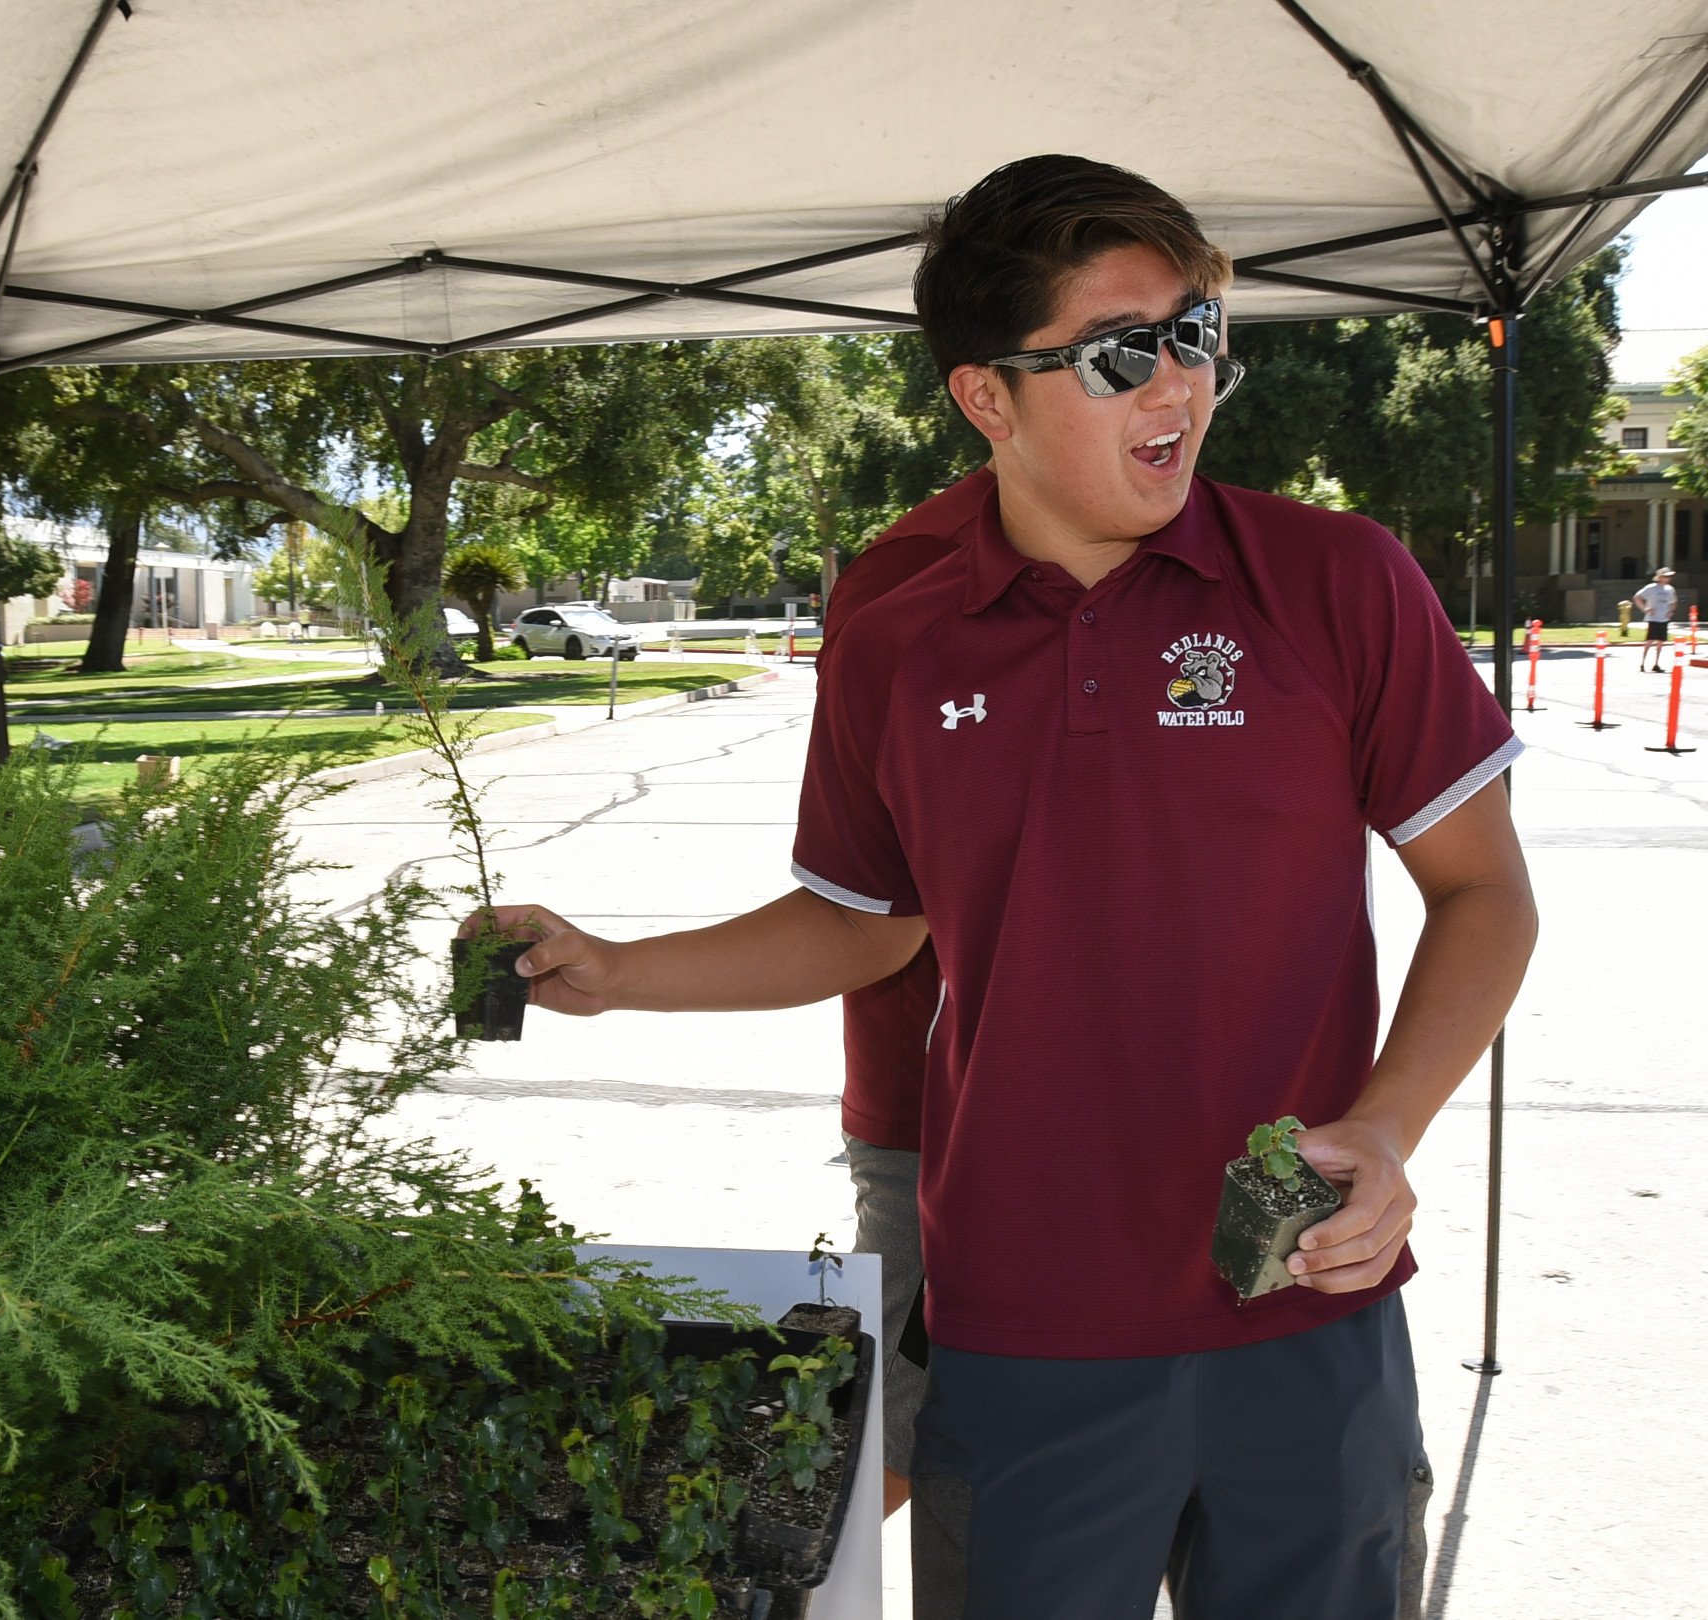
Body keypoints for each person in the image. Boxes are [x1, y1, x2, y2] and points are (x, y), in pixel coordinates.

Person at [470, 155, 1535, 1620]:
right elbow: (871, 914)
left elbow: (1484, 892)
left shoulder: (1338, 580)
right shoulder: (898, 627)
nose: (1180, 388)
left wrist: (1388, 1124)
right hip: (1023, 1328)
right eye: (1121, 355)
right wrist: (619, 967)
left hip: (1306, 1305)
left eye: (1199, 333)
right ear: (988, 398)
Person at [824, 466, 992, 1520]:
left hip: (1163, 1140)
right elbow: (868, 900)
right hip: (939, 1123)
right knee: (884, 1449)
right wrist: (619, 975)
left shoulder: (1246, 566)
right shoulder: (909, 580)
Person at [1636, 567, 1680, 671]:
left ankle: (1656, 664)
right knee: (1649, 641)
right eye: (1666, 576)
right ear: (1660, 577)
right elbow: (1637, 597)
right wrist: (1645, 608)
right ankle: (1643, 663)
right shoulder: (1651, 588)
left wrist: (1671, 611)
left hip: (1664, 619)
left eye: (1669, 576)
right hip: (1653, 619)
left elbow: (1674, 602)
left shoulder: (1670, 589)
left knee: (1660, 642)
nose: (1668, 578)